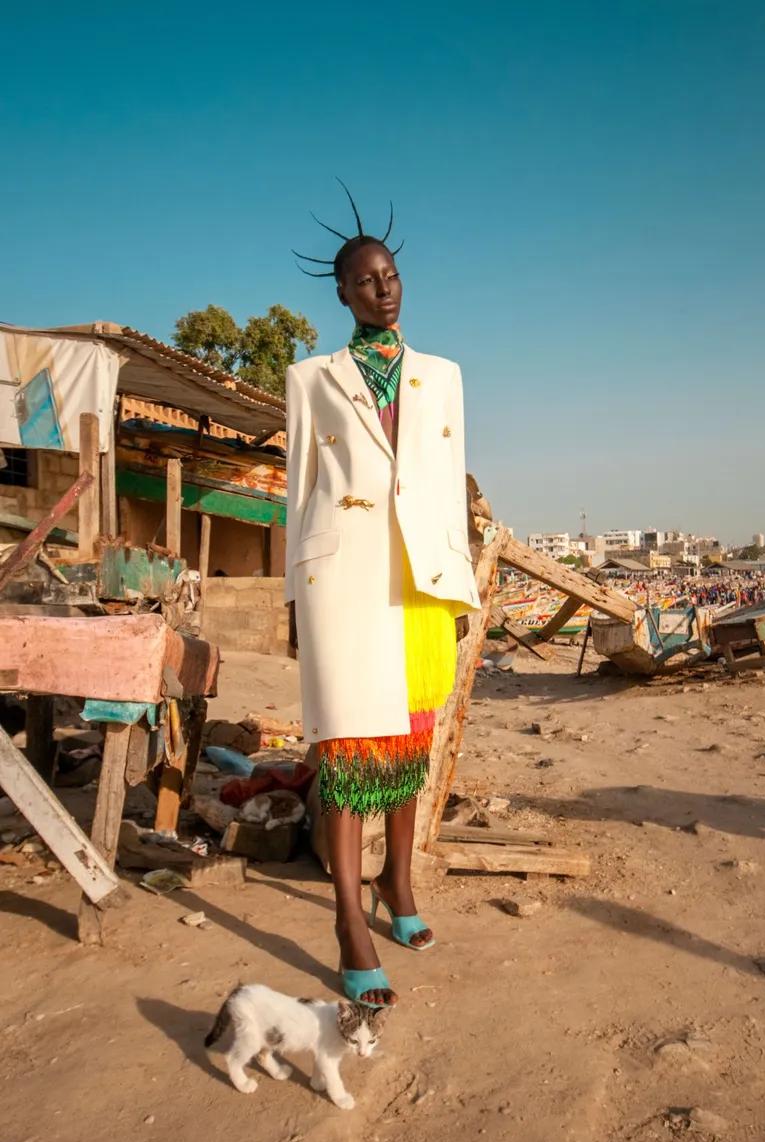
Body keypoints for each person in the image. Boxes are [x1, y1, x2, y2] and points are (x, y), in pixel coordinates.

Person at [285, 185, 480, 1008]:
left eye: (390, 274)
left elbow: (446, 487)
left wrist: (461, 578)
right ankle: (346, 922)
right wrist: (296, 597)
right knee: (346, 748)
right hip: (344, 579)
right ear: (342, 295)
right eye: (364, 280)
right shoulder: (311, 379)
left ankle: (398, 888)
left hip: (421, 581)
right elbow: (298, 493)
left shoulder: (443, 377)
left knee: (409, 744)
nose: (382, 288)